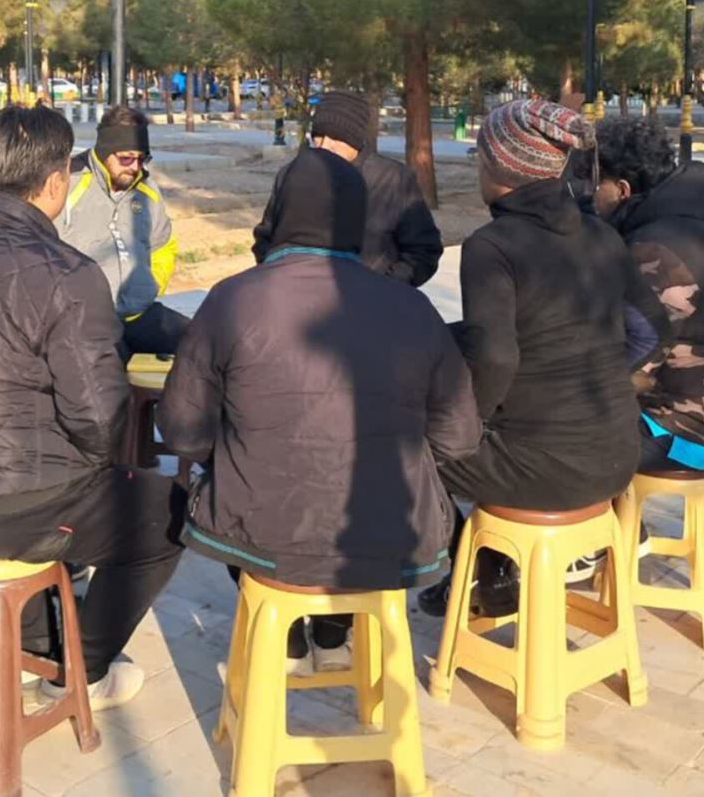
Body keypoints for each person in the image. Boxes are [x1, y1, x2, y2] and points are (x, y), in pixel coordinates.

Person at [0, 105, 184, 710]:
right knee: (168, 513)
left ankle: (34, 642)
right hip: (12, 511)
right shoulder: (65, 274)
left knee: (55, 483)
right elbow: (100, 421)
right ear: (54, 182)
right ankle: (80, 670)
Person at [162, 146, 480, 672]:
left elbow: (181, 431)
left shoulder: (232, 299)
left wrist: (239, 450)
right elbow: (459, 437)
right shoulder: (412, 308)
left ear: (278, 213)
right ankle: (333, 635)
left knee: (235, 491)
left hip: (262, 531)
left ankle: (286, 640)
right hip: (388, 535)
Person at [418, 99, 671, 618]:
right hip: (618, 455)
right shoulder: (601, 234)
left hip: (550, 469)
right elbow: (651, 328)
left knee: (413, 447)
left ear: (499, 166)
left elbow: (495, 358)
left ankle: (481, 572)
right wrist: (593, 374)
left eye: (480, 158)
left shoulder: (492, 246)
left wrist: (471, 422)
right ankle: (492, 569)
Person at [594, 116, 704, 474]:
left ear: (622, 189)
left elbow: (628, 360)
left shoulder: (655, 251)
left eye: (597, 183)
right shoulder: (685, 225)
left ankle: (605, 516)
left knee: (545, 431)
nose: (590, 194)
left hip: (680, 435)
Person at [253, 91, 443, 287]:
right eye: (318, 136)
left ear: (355, 140)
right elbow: (265, 239)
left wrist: (383, 288)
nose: (325, 145)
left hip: (368, 298)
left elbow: (423, 251)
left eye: (335, 138)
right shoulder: (293, 174)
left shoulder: (393, 179)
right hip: (298, 294)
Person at [61, 106, 189, 357]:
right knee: (110, 370)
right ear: (105, 150)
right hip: (85, 322)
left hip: (140, 314)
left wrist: (149, 285)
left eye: (142, 159)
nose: (135, 167)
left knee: (204, 344)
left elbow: (163, 246)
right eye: (126, 159)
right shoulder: (68, 184)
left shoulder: (147, 190)